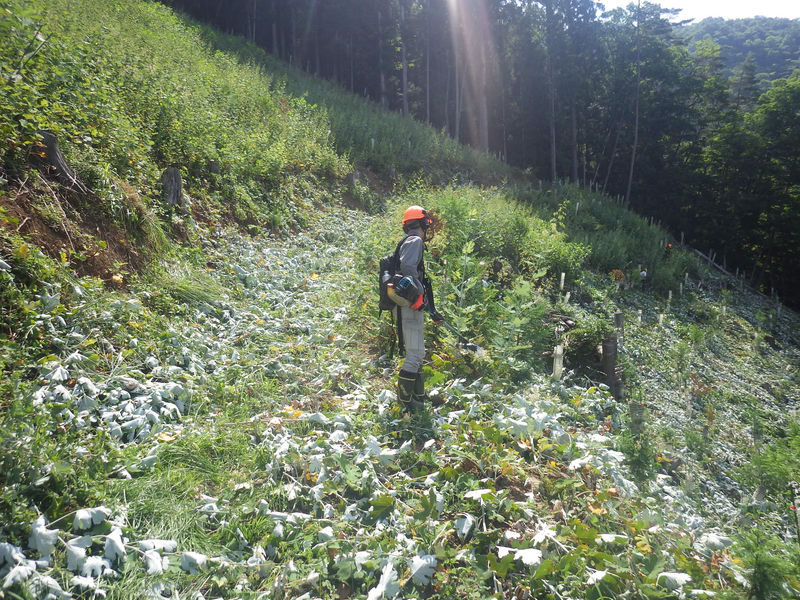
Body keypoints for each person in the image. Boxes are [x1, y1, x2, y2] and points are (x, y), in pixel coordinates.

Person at [394, 205, 443, 411]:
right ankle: (405, 402)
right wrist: (417, 295)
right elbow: (407, 267)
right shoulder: (415, 241)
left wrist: (430, 307)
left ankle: (419, 395)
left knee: (418, 351)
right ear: (423, 223)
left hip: (411, 304)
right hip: (409, 305)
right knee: (414, 353)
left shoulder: (408, 241)